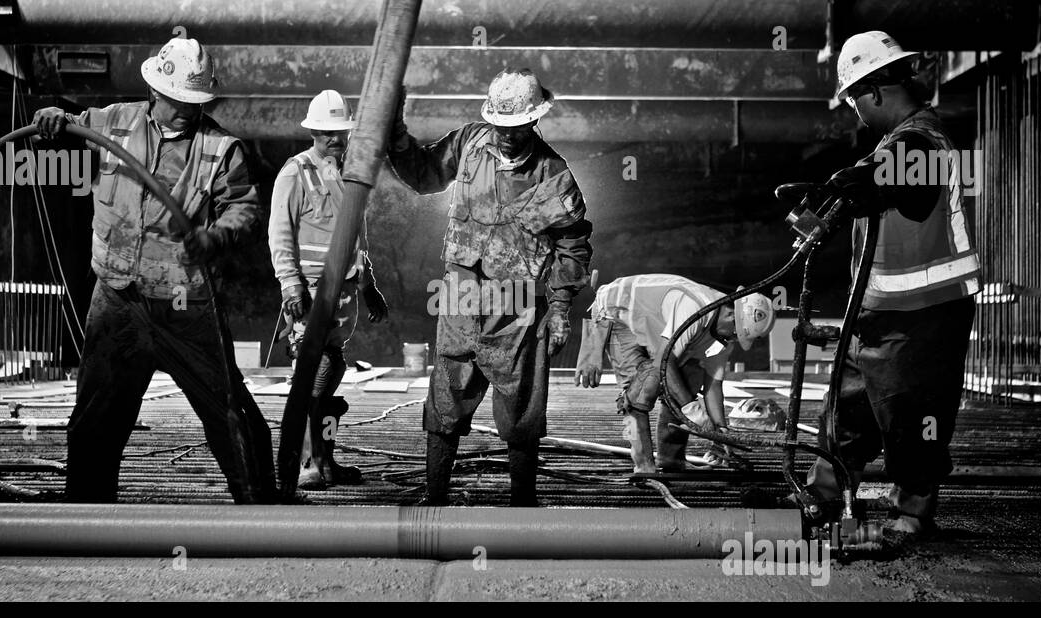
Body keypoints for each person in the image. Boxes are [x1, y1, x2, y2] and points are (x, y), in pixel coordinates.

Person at [33, 37, 277, 503]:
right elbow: (71, 125)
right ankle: (86, 516)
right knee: (95, 417)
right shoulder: (116, 121)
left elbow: (243, 211)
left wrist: (214, 237)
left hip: (186, 305)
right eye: (179, 100)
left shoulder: (222, 149)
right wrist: (53, 119)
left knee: (230, 413)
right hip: (117, 299)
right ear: (155, 92)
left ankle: (263, 510)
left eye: (195, 102)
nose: (187, 109)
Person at [387, 68, 593, 507]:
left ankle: (522, 506)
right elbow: (423, 174)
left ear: (533, 122)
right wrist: (394, 131)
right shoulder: (469, 143)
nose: (505, 136)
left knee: (520, 408)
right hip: (460, 296)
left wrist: (559, 309)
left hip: (516, 307)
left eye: (515, 129)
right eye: (500, 126)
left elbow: (573, 245)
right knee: (446, 399)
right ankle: (435, 498)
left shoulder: (553, 175)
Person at [806, 30, 981, 536]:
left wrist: (854, 182)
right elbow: (879, 175)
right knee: (846, 408)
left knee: (911, 415)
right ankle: (823, 496)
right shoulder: (892, 144)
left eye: (854, 101)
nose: (855, 113)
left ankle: (912, 511)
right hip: (879, 311)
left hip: (926, 313)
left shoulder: (922, 140)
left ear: (875, 92)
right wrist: (838, 194)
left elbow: (905, 177)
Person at [268, 89, 389, 490]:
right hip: (311, 296)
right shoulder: (295, 172)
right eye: (326, 133)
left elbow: (358, 238)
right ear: (313, 131)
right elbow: (280, 236)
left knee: (331, 370)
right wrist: (291, 287)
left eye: (340, 132)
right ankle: (306, 464)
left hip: (343, 298)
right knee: (314, 376)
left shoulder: (350, 175)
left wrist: (369, 284)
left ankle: (326, 460)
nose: (335, 139)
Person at [575, 274, 774, 474]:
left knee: (691, 376)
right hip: (615, 313)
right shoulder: (694, 308)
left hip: (653, 325)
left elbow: (713, 386)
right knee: (640, 389)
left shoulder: (723, 339)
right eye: (736, 333)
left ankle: (671, 460)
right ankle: (644, 467)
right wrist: (691, 409)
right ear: (731, 316)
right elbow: (664, 362)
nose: (735, 339)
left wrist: (720, 432)